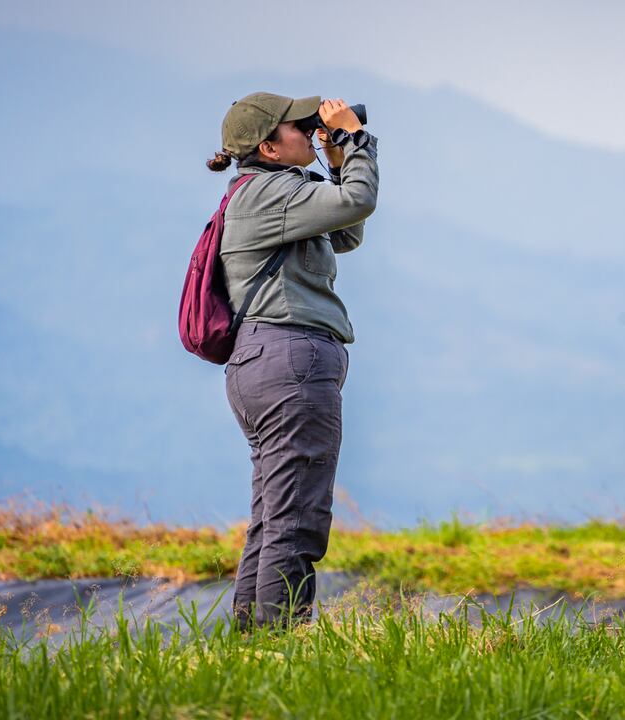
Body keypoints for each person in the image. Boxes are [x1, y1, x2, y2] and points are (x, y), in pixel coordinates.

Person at [205, 92, 379, 629]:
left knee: (275, 515)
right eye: (297, 127)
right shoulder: (270, 193)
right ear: (268, 147)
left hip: (268, 361)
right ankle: (283, 645)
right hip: (290, 360)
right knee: (297, 516)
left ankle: (255, 646)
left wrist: (333, 154)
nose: (308, 130)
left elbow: (344, 232)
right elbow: (358, 202)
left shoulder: (270, 191)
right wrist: (355, 140)